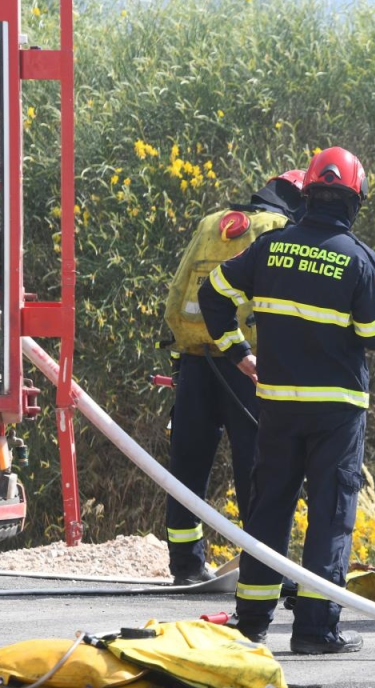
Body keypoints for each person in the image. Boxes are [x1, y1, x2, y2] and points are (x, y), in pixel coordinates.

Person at [199, 147, 375, 654]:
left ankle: (252, 621)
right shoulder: (358, 258)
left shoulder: (269, 248)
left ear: (306, 194)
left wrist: (235, 348)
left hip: (278, 404)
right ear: (354, 201)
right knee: (330, 512)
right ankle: (314, 629)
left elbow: (212, 292)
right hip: (336, 410)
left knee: (270, 507)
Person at [161, 171, 304, 585]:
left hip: (195, 358)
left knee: (186, 463)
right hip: (249, 364)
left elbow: (176, 295)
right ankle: (261, 566)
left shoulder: (212, 223)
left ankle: (185, 566)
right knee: (258, 466)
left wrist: (185, 344)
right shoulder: (281, 230)